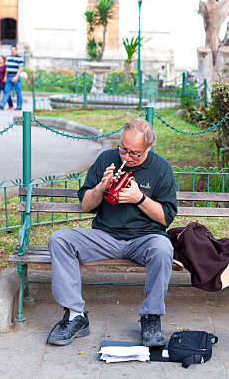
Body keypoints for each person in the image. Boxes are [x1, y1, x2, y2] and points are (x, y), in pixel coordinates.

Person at [46, 118, 177, 347]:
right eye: (123, 149)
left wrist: (140, 199)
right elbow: (86, 205)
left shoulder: (161, 168)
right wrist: (101, 187)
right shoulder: (106, 159)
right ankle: (75, 316)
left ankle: (151, 317)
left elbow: (165, 217)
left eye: (134, 153)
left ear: (148, 148)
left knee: (163, 248)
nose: (126, 157)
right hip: (105, 236)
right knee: (59, 239)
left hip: (144, 238)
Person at [0, 45, 24, 110]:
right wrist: (5, 77)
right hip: (9, 77)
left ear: (16, 50)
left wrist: (16, 77)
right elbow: (7, 68)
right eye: (11, 50)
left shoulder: (20, 58)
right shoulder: (9, 58)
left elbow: (20, 68)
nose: (12, 51)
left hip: (16, 77)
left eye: (14, 50)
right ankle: (2, 105)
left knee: (18, 92)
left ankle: (19, 106)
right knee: (6, 91)